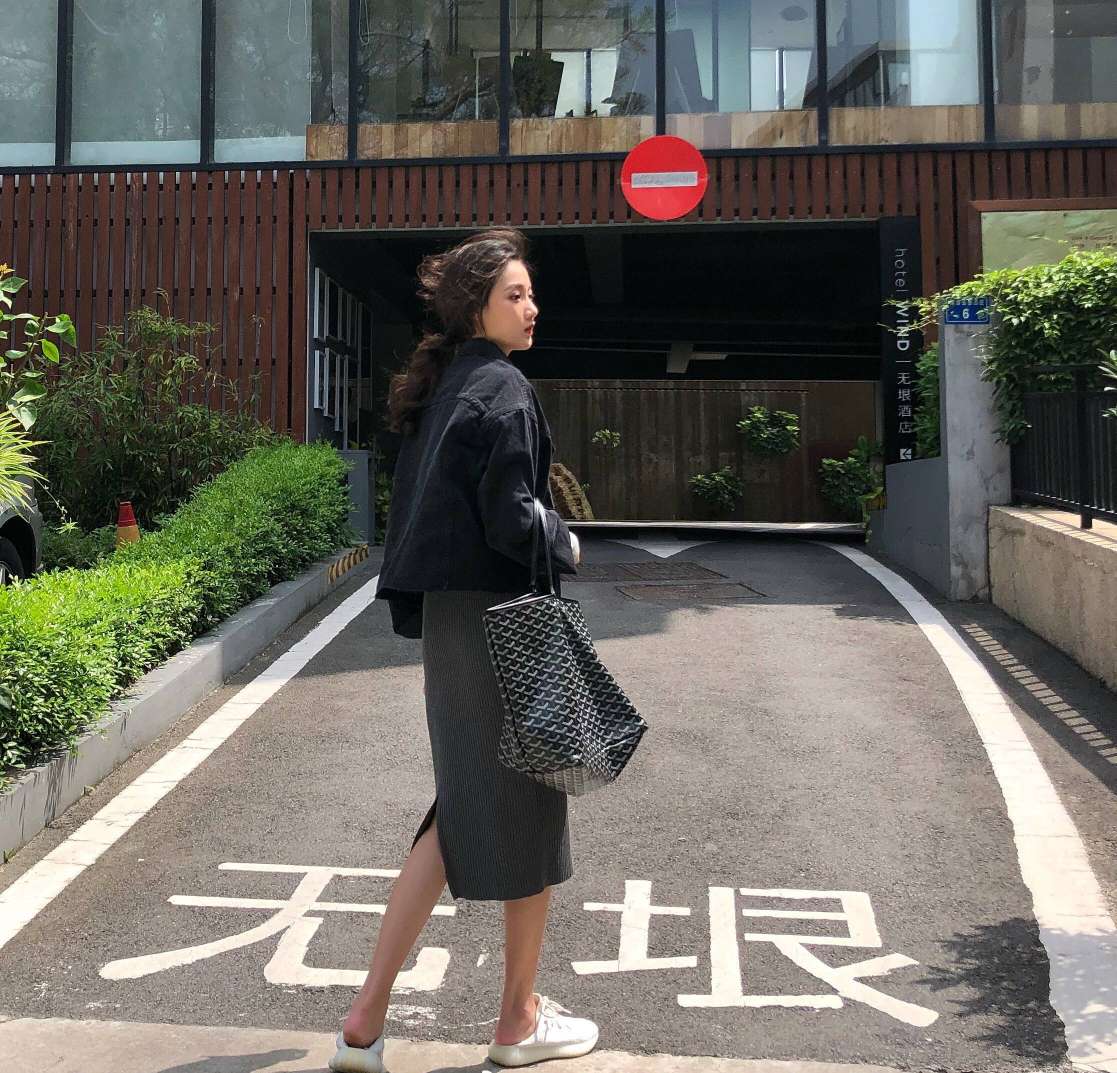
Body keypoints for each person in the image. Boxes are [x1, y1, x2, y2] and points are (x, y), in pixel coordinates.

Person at [329, 229, 596, 1073]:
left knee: (460, 809)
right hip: (502, 617)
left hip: (453, 621)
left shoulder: (448, 386)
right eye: (514, 294)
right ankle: (515, 1019)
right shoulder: (504, 389)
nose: (531, 306)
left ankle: (367, 1018)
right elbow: (509, 517)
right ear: (476, 305)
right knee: (530, 801)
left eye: (529, 292)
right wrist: (563, 539)